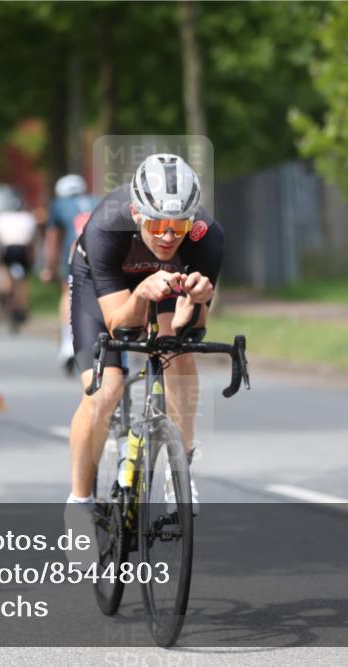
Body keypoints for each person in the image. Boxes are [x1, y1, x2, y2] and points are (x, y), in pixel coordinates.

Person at [66, 154, 223, 519]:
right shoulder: (106, 226)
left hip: (164, 280)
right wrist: (140, 295)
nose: (168, 236)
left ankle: (177, 471)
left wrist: (197, 302)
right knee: (104, 391)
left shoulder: (206, 235)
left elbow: (194, 328)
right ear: (137, 215)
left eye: (178, 226)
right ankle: (78, 503)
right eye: (157, 225)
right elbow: (121, 327)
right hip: (101, 282)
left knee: (178, 349)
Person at [45, 174, 99, 374]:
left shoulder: (58, 204)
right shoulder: (95, 200)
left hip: (74, 253)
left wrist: (50, 267)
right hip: (100, 252)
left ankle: (68, 343)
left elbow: (52, 238)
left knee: (68, 295)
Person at [0, 191, 37, 327]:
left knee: (5, 274)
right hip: (23, 250)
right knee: (23, 281)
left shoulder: (1, 218)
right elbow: (33, 241)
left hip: (7, 250)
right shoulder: (28, 218)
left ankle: (4, 293)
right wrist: (32, 258)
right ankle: (23, 308)